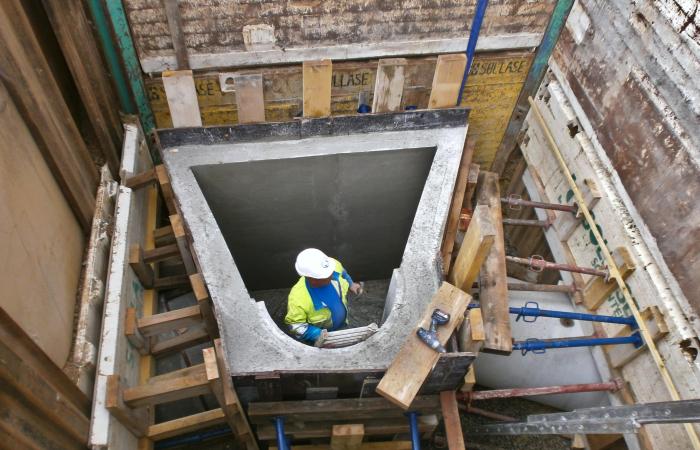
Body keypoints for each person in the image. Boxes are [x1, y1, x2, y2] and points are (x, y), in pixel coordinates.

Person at [284, 248, 362, 344]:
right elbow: (296, 325)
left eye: (330, 272)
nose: (331, 275)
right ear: (309, 277)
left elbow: (343, 273)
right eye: (325, 276)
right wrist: (320, 337)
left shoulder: (332, 265)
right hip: (325, 335)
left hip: (343, 323)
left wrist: (351, 284)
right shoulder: (297, 298)